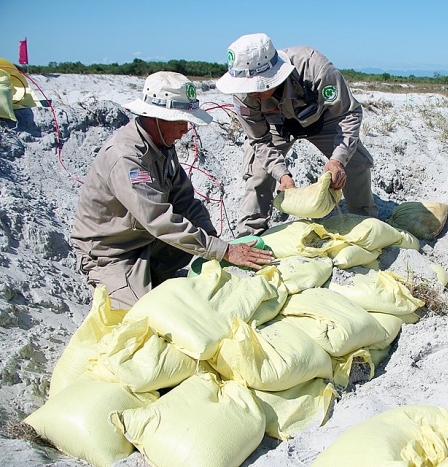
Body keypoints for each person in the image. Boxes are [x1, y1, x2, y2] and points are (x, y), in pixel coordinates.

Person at [71, 71, 273, 309]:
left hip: (146, 240)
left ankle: (153, 279)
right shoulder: (126, 157)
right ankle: (125, 285)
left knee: (194, 246)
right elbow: (159, 220)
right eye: (180, 121)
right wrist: (223, 251)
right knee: (141, 318)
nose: (186, 130)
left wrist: (214, 240)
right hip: (112, 252)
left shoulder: (162, 143)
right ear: (156, 118)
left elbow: (184, 198)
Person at [216, 33, 378, 237]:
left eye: (256, 86)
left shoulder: (314, 67)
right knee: (258, 173)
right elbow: (259, 140)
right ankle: (250, 234)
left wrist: (338, 160)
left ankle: (364, 220)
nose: (250, 93)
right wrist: (282, 175)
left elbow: (349, 113)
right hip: (277, 127)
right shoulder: (243, 94)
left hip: (322, 119)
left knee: (355, 162)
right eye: (246, 87)